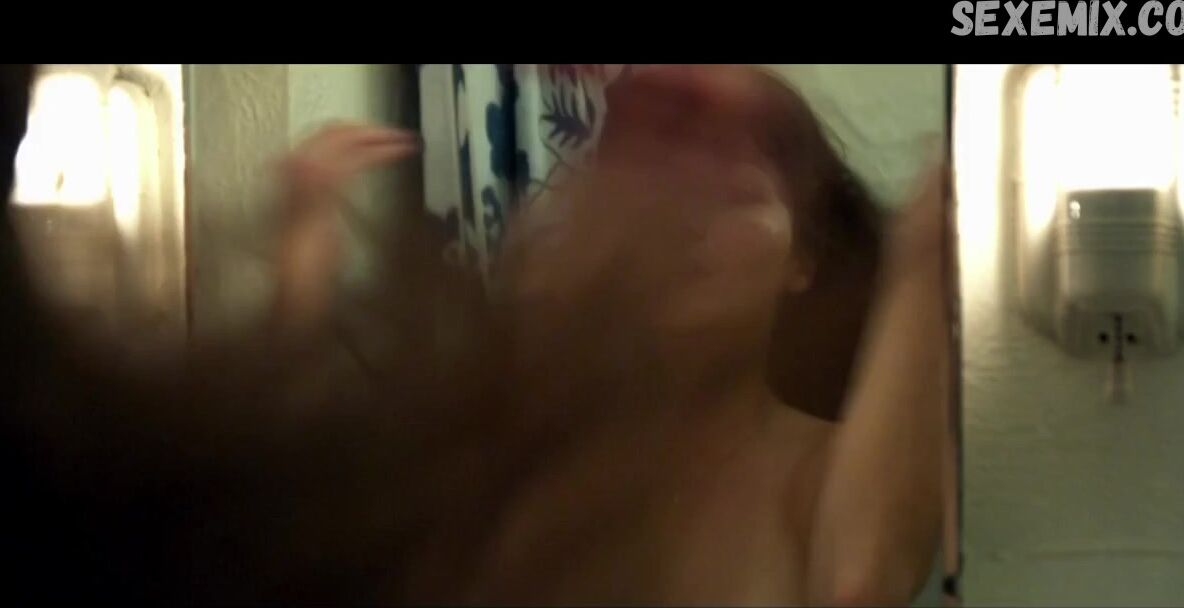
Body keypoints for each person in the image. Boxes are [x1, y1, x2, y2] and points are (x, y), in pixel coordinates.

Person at [0, 63, 949, 606]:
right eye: (648, 155)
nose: (683, 211)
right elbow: (285, 530)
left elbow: (859, 580)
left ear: (802, 261)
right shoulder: (517, 467)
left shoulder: (819, 473)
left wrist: (920, 263)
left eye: (735, 183)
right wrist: (304, 257)